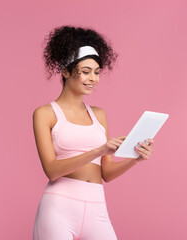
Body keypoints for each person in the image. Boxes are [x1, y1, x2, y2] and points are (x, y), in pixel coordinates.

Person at [32, 25, 154, 240]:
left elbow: (105, 173)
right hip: (59, 208)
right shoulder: (45, 114)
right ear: (66, 71)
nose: (93, 78)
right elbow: (51, 170)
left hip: (97, 209)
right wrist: (99, 151)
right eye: (86, 72)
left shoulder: (99, 115)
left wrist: (134, 159)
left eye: (97, 72)